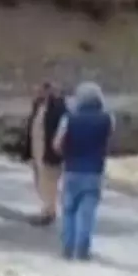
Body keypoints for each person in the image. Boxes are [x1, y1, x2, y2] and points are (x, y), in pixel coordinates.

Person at [52, 81, 113, 261]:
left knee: (69, 211)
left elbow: (57, 144)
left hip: (71, 170)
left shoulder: (68, 118)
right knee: (87, 213)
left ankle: (67, 248)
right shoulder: (107, 119)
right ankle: (82, 250)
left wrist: (66, 154)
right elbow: (109, 141)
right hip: (94, 172)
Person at [21, 82, 66, 226]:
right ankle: (46, 208)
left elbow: (60, 129)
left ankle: (49, 211)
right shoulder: (38, 106)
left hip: (50, 150)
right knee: (40, 181)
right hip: (37, 148)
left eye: (42, 90)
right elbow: (31, 128)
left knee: (49, 182)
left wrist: (58, 149)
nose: (39, 93)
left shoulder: (58, 107)